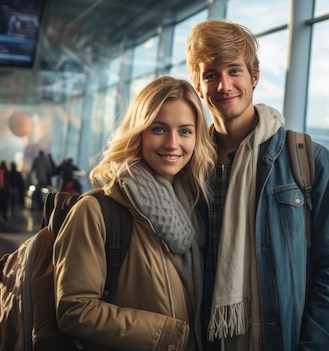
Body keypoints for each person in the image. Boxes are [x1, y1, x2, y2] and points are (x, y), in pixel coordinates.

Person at [186, 19, 329, 350]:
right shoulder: (190, 165)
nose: (224, 85)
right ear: (198, 85)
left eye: (234, 71)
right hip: (200, 338)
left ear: (254, 76)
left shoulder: (310, 161)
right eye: (211, 74)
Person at [53, 76, 216, 351]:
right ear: (138, 132)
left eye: (185, 131)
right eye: (159, 129)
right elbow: (74, 310)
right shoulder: (96, 211)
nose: (173, 143)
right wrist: (166, 335)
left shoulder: (195, 212)